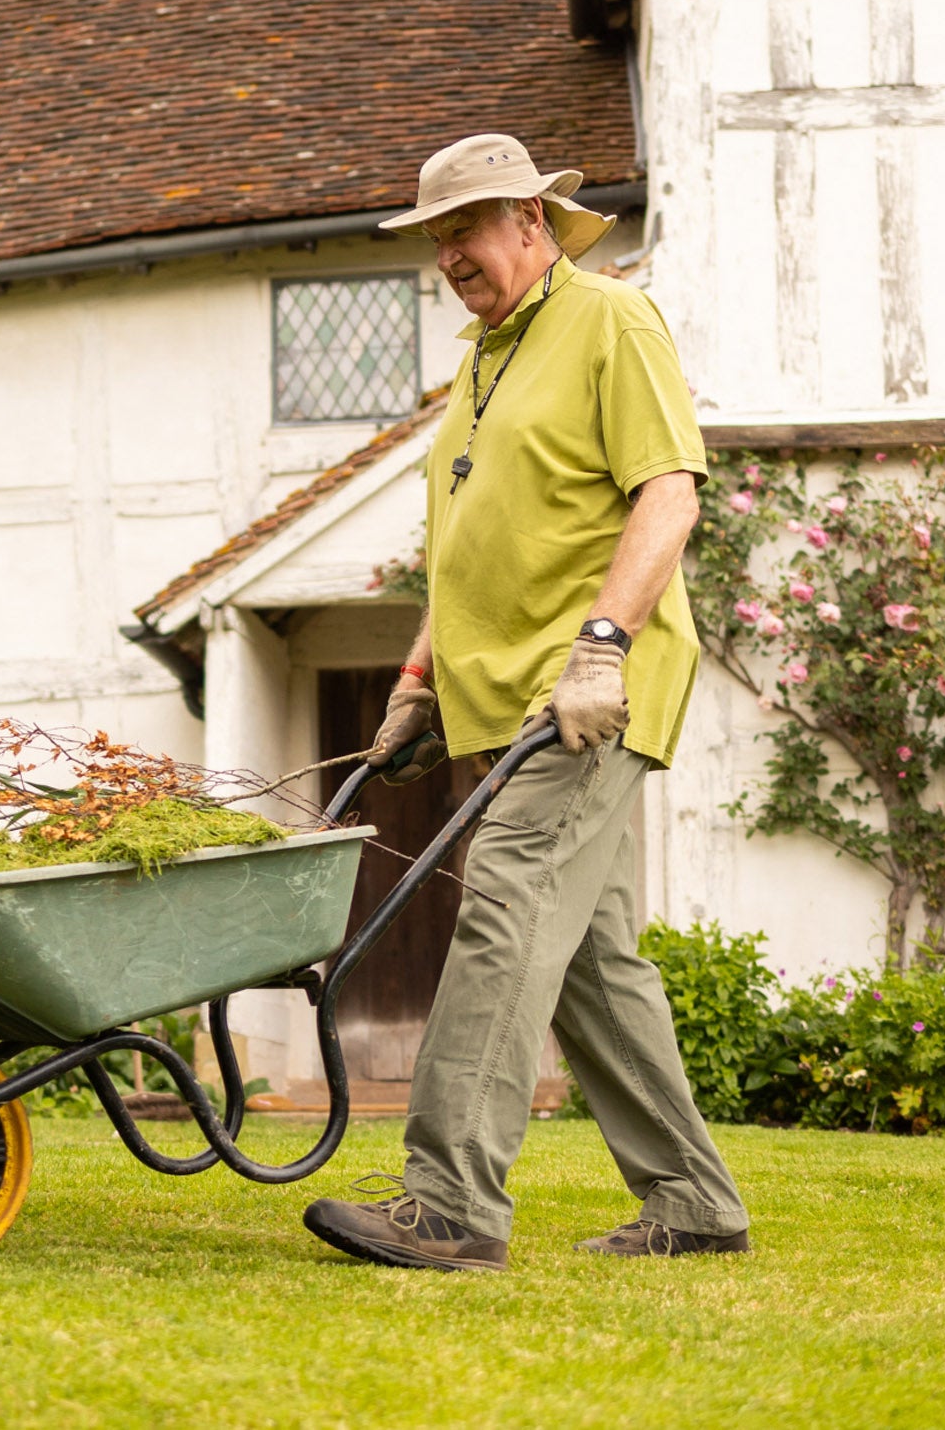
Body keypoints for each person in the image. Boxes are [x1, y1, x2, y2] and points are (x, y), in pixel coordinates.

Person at [300, 133, 752, 1272]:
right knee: (594, 964)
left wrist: (604, 646)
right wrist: (418, 683)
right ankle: (695, 1204)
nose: (452, 252)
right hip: (497, 703)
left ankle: (448, 1205)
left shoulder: (610, 320)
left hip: (583, 697)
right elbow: (469, 554)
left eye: (471, 227)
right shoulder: (481, 367)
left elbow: (668, 493)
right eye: (438, 235)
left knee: (503, 912)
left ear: (533, 225)